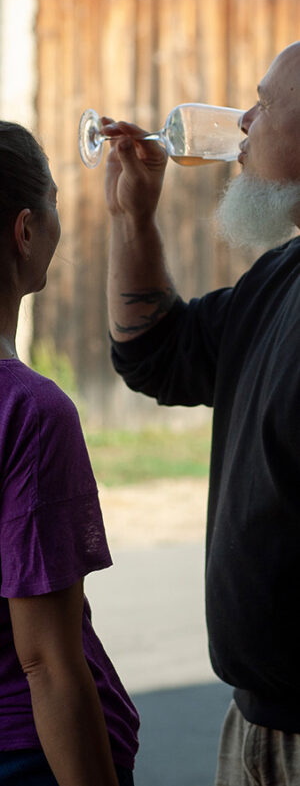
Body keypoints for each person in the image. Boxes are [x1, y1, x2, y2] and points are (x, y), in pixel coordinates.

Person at [103, 40, 300, 786]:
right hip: (254, 723)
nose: (243, 122)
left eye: (265, 103)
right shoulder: (279, 275)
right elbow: (156, 351)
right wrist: (134, 217)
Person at [0, 121, 139, 785]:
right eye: (55, 201)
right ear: (25, 230)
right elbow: (47, 662)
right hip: (29, 756)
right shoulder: (29, 411)